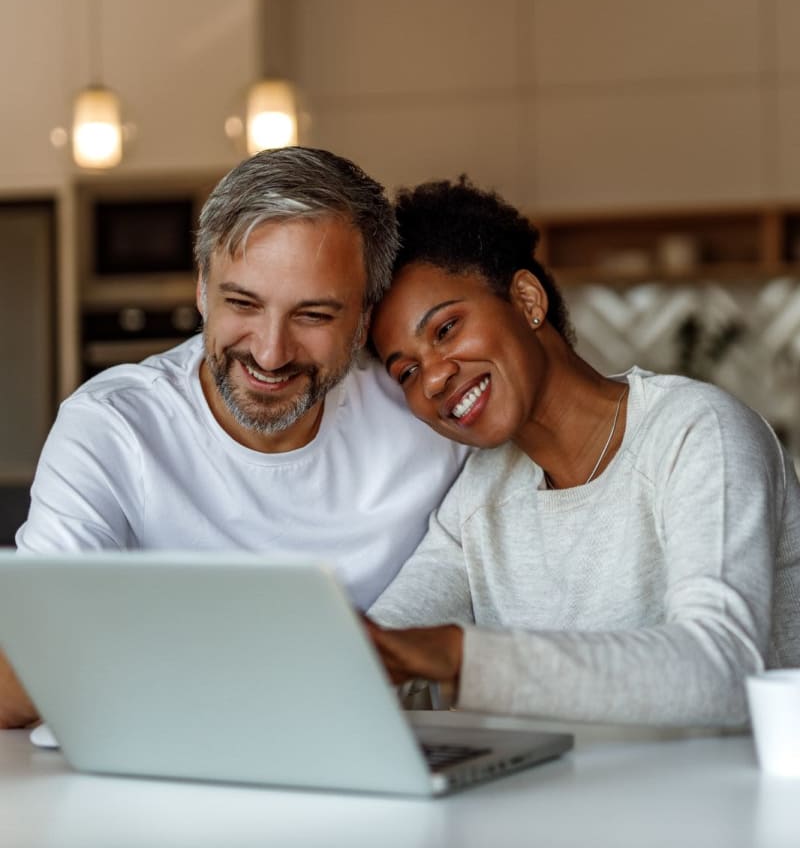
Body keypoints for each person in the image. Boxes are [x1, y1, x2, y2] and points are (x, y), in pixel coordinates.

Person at [0, 147, 469, 729]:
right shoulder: (112, 427)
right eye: (242, 303)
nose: (271, 353)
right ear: (202, 290)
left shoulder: (429, 418)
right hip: (168, 775)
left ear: (366, 318)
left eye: (314, 316)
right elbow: (20, 671)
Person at [366, 178, 800, 727]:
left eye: (447, 329)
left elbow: (722, 668)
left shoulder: (696, 433)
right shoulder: (478, 498)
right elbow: (387, 645)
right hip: (568, 808)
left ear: (527, 300)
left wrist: (459, 656)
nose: (433, 379)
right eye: (406, 371)